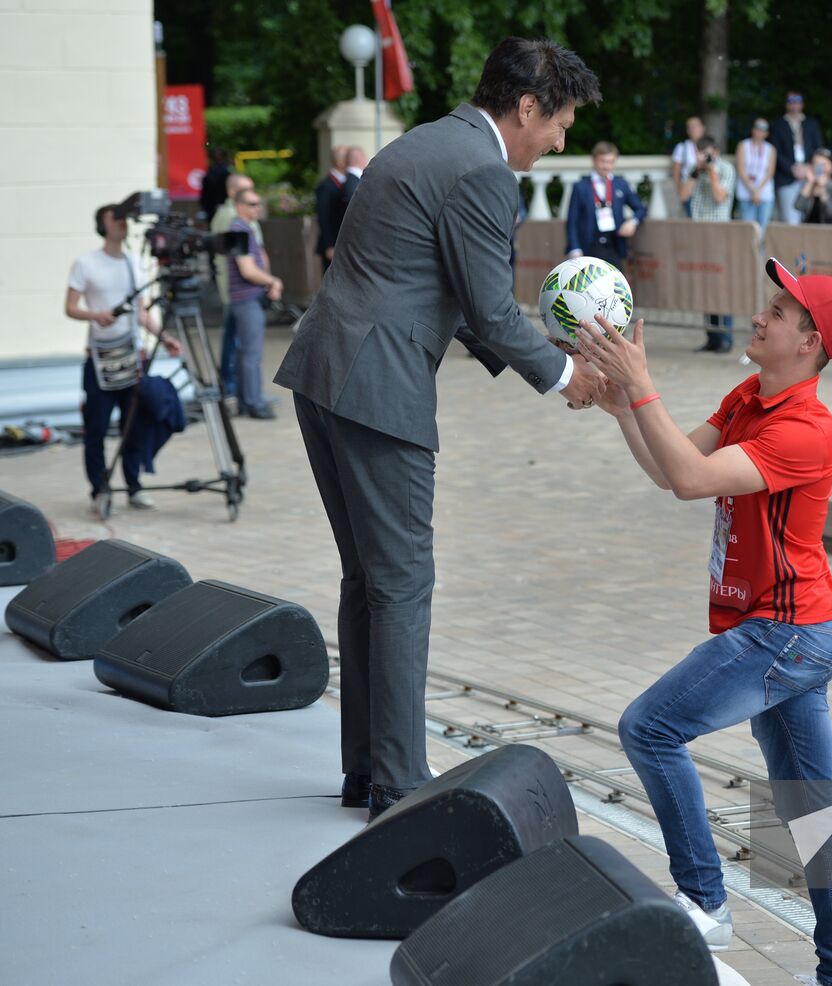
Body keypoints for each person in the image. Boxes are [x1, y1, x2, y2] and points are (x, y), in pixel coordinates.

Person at [274, 37, 606, 818]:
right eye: (560, 122)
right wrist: (566, 376)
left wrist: (531, 346)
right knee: (402, 583)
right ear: (527, 106)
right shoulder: (485, 173)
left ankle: (366, 770)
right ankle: (397, 786)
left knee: (370, 581)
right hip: (377, 389)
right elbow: (489, 307)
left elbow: (422, 279)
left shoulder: (426, 140)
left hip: (325, 371)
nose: (561, 141)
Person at [578, 261, 832, 986]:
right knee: (811, 817)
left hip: (787, 634)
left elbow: (690, 479)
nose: (760, 317)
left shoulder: (808, 429)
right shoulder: (750, 395)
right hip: (793, 630)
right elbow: (670, 467)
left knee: (650, 728)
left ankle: (705, 900)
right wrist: (624, 408)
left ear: (808, 344)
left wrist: (642, 384)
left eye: (777, 312)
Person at [65, 202, 180, 513]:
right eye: (114, 218)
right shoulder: (86, 263)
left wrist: (165, 338)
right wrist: (95, 315)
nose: (121, 222)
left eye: (123, 217)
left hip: (131, 357)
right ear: (102, 225)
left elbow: (141, 312)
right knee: (97, 428)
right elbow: (71, 307)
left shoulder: (134, 262)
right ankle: (99, 489)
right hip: (100, 360)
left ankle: (134, 485)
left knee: (135, 424)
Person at [227, 188, 282, 420]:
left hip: (246, 299)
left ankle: (244, 400)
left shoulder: (245, 229)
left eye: (258, 203)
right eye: (251, 203)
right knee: (251, 354)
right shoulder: (238, 230)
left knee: (244, 353)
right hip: (246, 300)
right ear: (239, 205)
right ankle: (253, 403)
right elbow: (247, 270)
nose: (256, 207)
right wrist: (273, 280)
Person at [684, 135, 739, 353]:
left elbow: (719, 197)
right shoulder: (695, 169)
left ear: (715, 151)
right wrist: (696, 171)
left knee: (721, 286)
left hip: (719, 233)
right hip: (699, 234)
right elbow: (683, 194)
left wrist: (712, 171)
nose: (704, 157)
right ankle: (711, 337)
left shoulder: (725, 168)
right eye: (700, 152)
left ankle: (725, 336)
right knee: (705, 284)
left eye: (707, 152)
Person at [565, 140, 646, 269]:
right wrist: (575, 248)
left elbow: (640, 208)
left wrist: (633, 221)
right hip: (589, 246)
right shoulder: (581, 187)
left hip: (614, 245)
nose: (607, 166)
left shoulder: (620, 184)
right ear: (594, 160)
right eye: (603, 161)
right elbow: (572, 221)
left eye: (611, 162)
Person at [211, 172, 256, 398]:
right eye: (246, 194)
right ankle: (237, 388)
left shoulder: (227, 215)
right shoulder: (232, 218)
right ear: (233, 193)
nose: (254, 202)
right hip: (238, 288)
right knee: (239, 342)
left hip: (233, 287)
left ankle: (235, 388)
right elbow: (240, 260)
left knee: (233, 337)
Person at [772, 92, 825, 224]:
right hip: (787, 177)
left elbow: (819, 149)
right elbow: (775, 152)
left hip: (810, 175)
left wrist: (810, 168)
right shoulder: (779, 124)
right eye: (791, 102)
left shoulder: (811, 124)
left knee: (809, 216)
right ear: (787, 105)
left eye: (797, 102)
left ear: (802, 105)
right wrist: (791, 169)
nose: (794, 105)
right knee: (790, 217)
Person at [735, 119, 777, 236]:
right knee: (747, 228)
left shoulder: (770, 149)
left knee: (763, 228)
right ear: (753, 130)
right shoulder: (743, 145)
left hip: (764, 193)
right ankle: (747, 253)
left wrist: (757, 190)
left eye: (763, 130)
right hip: (746, 191)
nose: (759, 132)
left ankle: (760, 254)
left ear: (766, 133)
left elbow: (770, 172)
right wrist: (753, 190)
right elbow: (741, 169)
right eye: (757, 129)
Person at [314, 145, 350, 269]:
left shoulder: (344, 183)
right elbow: (324, 216)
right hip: (332, 244)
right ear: (340, 162)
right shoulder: (326, 187)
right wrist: (329, 245)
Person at [794, 149, 832, 224]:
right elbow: (798, 206)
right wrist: (809, 183)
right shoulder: (808, 184)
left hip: (828, 231)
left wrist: (822, 190)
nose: (820, 168)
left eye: (823, 165)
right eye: (816, 164)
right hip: (807, 229)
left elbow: (831, 213)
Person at [671, 115, 705, 217]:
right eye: (689, 127)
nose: (692, 130)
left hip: (705, 191)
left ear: (703, 128)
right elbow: (676, 173)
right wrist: (680, 192)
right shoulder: (682, 147)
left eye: (695, 126)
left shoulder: (709, 146)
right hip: (689, 191)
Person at [199, 147, 231, 221]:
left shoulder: (225, 170)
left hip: (220, 202)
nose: (217, 157)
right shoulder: (212, 170)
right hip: (213, 203)